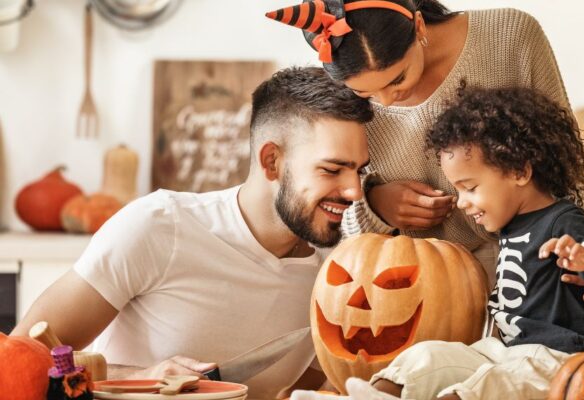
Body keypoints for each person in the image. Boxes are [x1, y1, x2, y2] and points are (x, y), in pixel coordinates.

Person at [11, 66, 373, 399]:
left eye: (358, 171)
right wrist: (141, 377)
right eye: (332, 170)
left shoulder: (337, 279)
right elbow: (17, 359)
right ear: (271, 162)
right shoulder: (159, 225)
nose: (354, 191)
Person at [292, 87, 584, 400]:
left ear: (520, 171)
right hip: (504, 351)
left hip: (562, 358)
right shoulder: (509, 225)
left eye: (470, 187)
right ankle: (372, 396)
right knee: (428, 355)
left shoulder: (564, 221)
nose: (460, 201)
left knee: (490, 383)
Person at [265, 0, 584, 292]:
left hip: (532, 268)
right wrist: (375, 206)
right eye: (364, 93)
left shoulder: (510, 36)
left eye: (398, 78)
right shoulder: (337, 87)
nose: (386, 99)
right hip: (411, 285)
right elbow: (334, 221)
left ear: (418, 27)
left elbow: (565, 153)